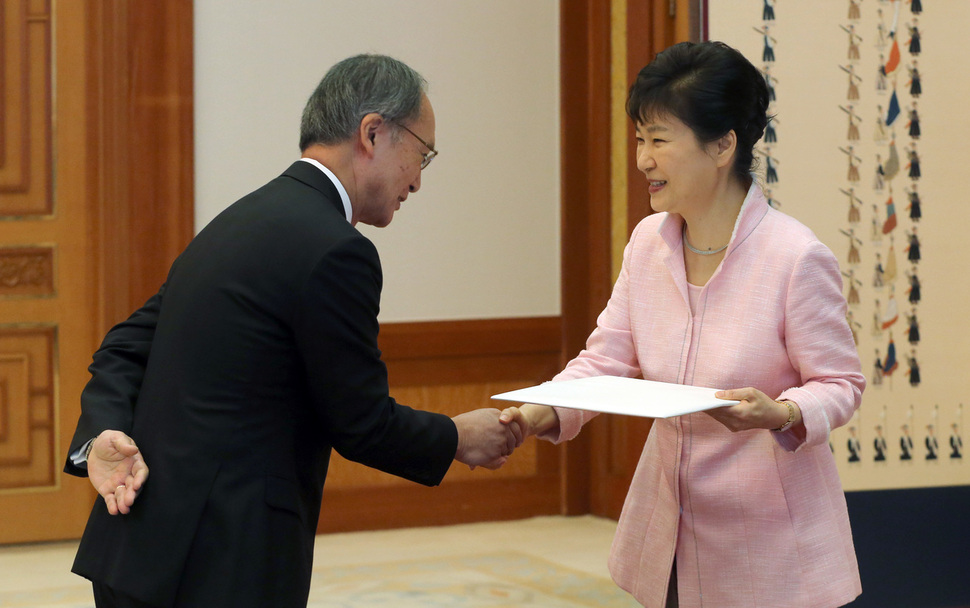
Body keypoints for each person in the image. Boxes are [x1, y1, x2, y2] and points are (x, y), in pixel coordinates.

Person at [63, 54, 519, 608]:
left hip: (137, 548)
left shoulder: (236, 221)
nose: (418, 181)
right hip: (222, 563)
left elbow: (122, 347)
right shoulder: (338, 251)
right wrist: (459, 438)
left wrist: (100, 434)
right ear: (372, 133)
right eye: (422, 155)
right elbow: (361, 423)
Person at [500, 41, 865, 607]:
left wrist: (784, 412)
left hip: (767, 542)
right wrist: (533, 414)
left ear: (722, 145)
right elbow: (605, 360)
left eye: (660, 140)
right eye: (641, 139)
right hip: (668, 525)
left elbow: (841, 384)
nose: (643, 158)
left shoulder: (794, 256)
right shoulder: (649, 244)